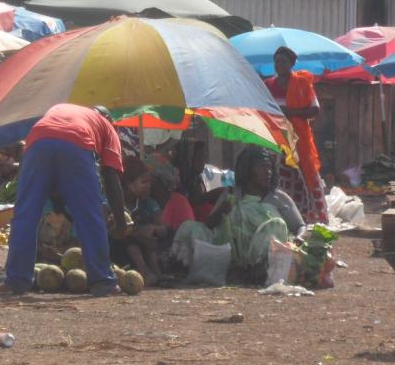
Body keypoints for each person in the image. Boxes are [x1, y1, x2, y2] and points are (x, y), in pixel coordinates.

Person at [0, 103, 128, 297]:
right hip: (77, 142)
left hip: (37, 140)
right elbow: (111, 179)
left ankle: (15, 281)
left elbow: (55, 156)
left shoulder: (61, 108)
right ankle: (102, 281)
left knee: (25, 214)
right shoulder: (107, 126)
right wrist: (121, 222)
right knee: (89, 215)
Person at [171, 146, 299, 283]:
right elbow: (209, 227)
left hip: (261, 259)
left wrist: (299, 240)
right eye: (262, 167)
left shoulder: (278, 198)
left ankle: (252, 272)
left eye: (269, 168)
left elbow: (300, 227)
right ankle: (179, 269)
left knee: (275, 226)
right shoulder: (231, 194)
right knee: (189, 227)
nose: (268, 172)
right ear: (248, 170)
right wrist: (221, 211)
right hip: (229, 255)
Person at [264, 46, 328, 224]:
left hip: (299, 141)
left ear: (292, 64)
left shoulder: (301, 83)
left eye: (283, 62)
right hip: (277, 140)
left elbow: (314, 109)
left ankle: (314, 217)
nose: (279, 65)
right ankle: (285, 216)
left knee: (307, 176)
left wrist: (291, 112)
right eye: (276, 62)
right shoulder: (268, 85)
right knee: (280, 178)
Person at [113, 156, 165, 285]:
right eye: (144, 182)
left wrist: (152, 228)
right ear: (129, 184)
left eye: (149, 182)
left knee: (148, 240)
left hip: (146, 245)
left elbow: (163, 228)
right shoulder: (115, 203)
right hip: (119, 249)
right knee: (131, 240)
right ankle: (144, 272)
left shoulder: (149, 203)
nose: (148, 186)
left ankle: (157, 274)